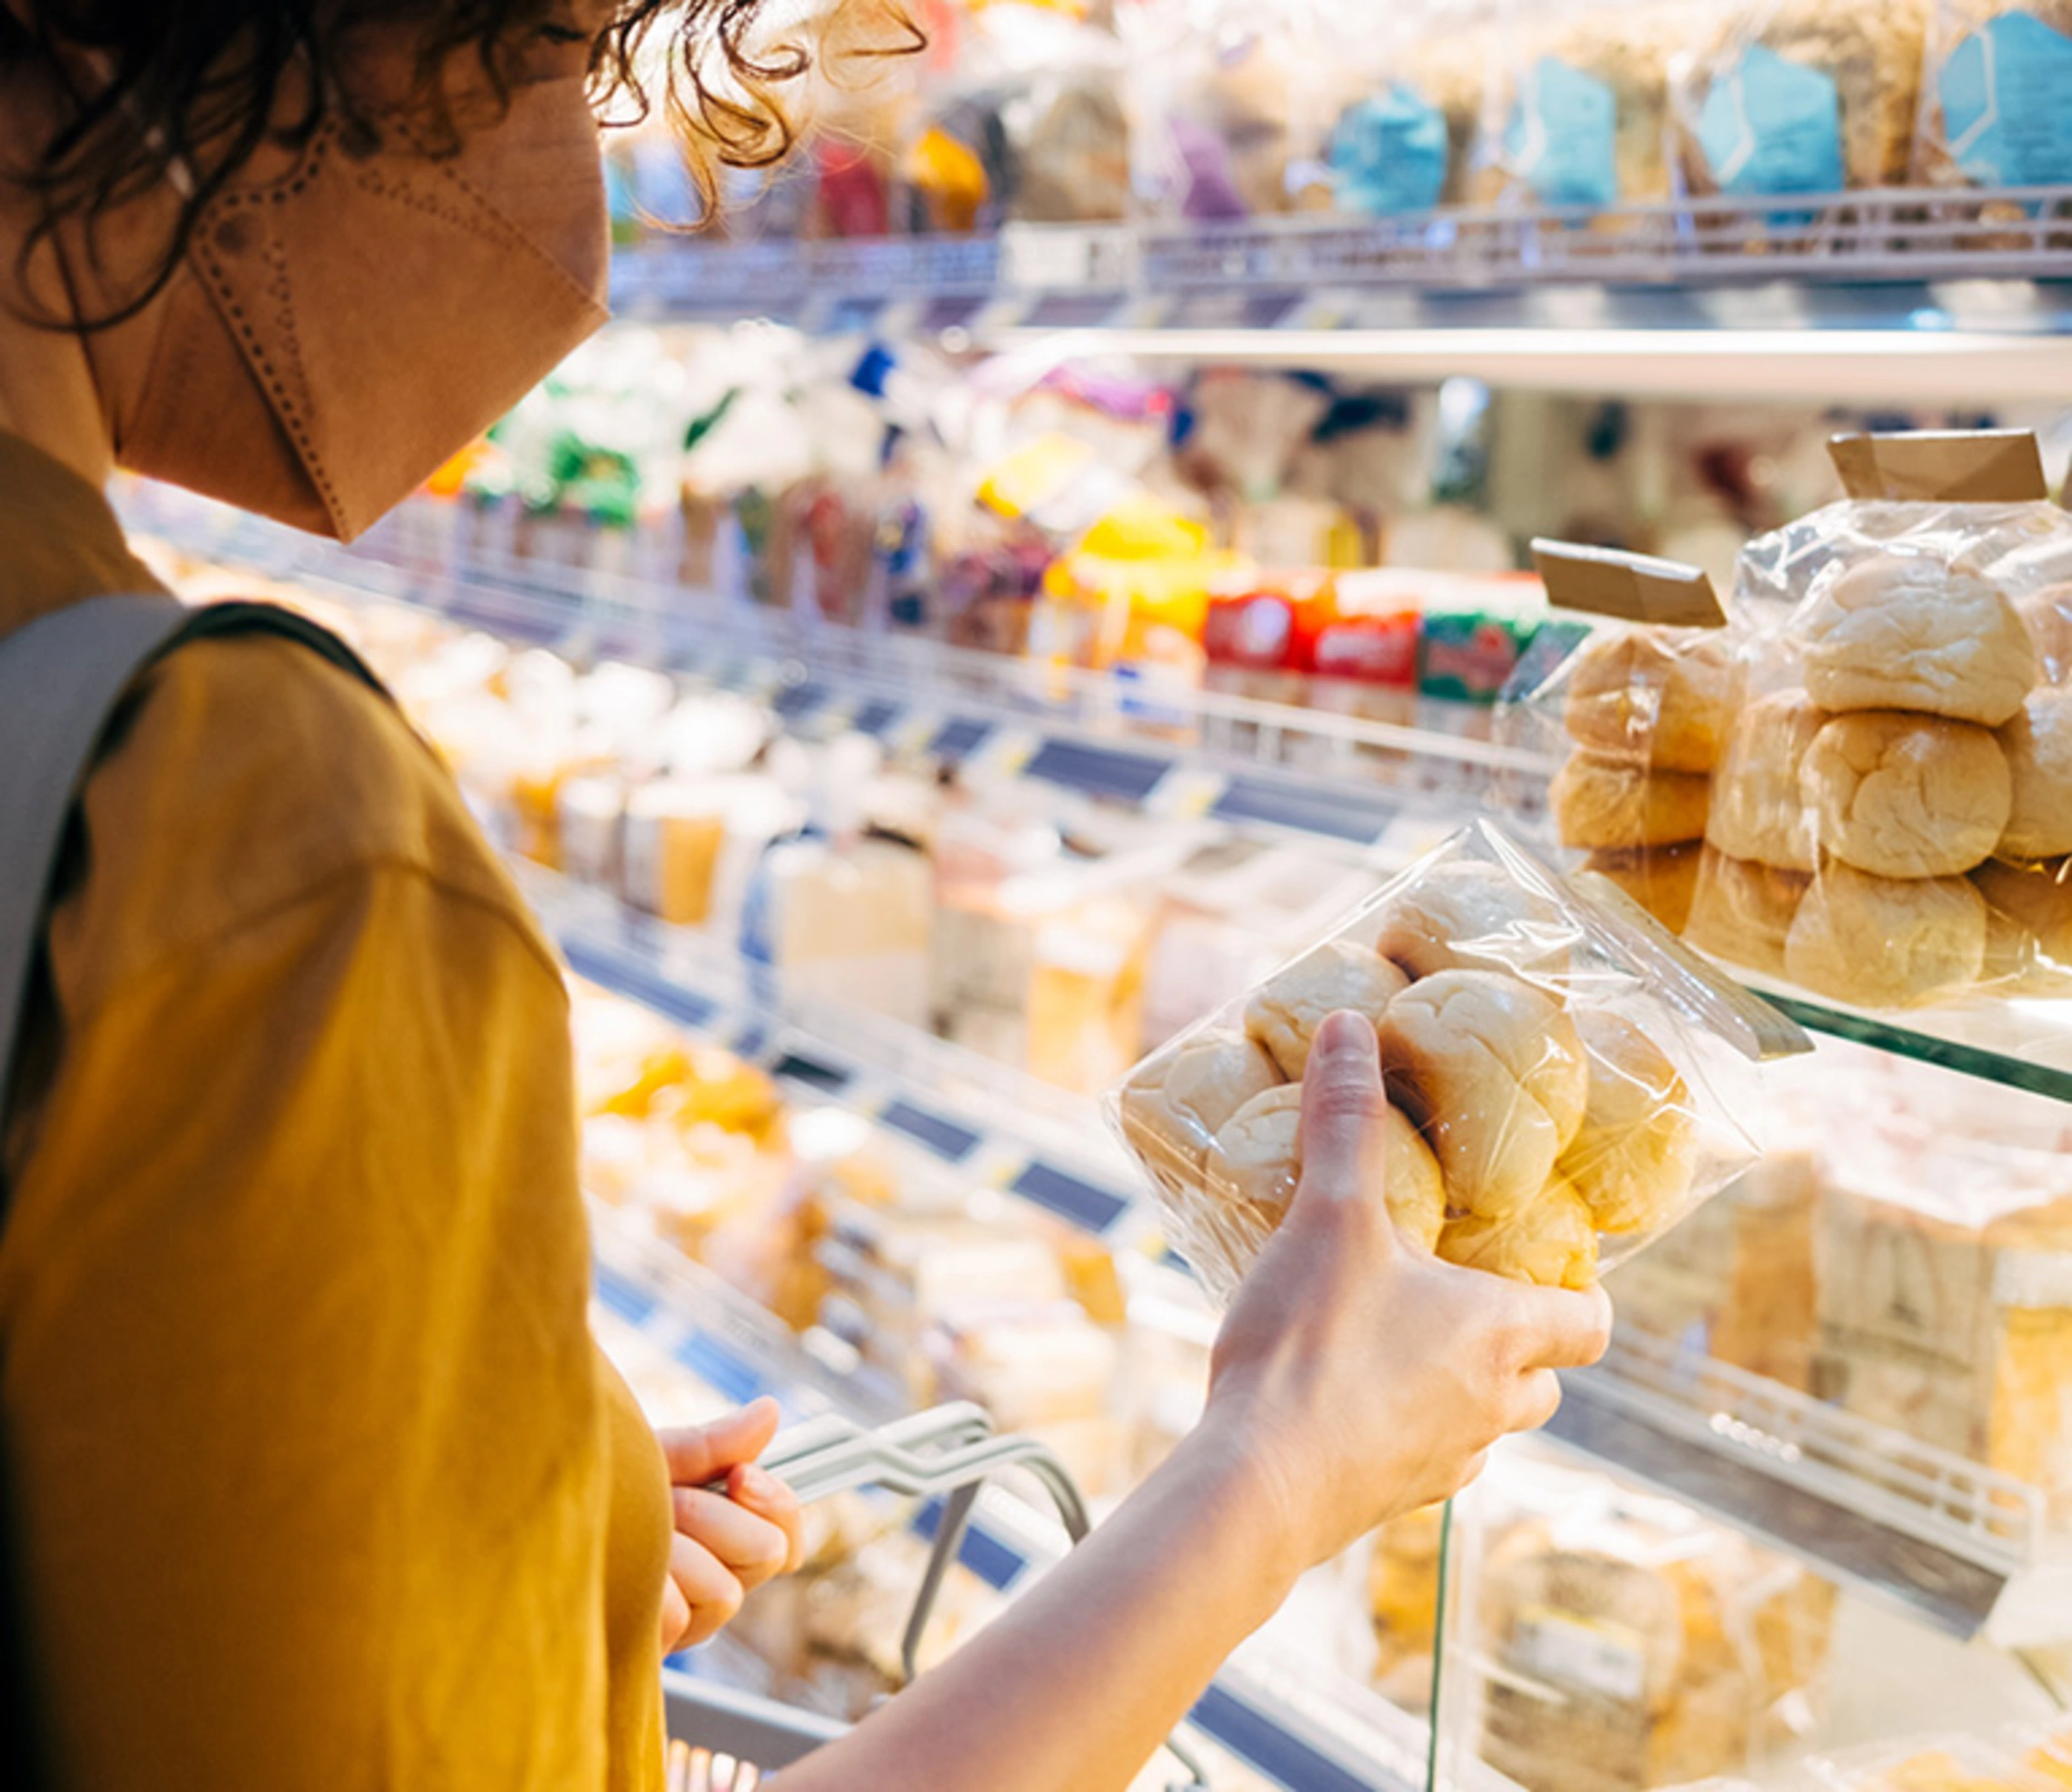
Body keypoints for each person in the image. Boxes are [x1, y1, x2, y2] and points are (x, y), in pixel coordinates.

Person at [0, 4, 1611, 1788]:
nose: (570, 164)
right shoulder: (235, 824)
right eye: (538, 45)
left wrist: (522, 1542)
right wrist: (1277, 1470)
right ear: (122, 57)